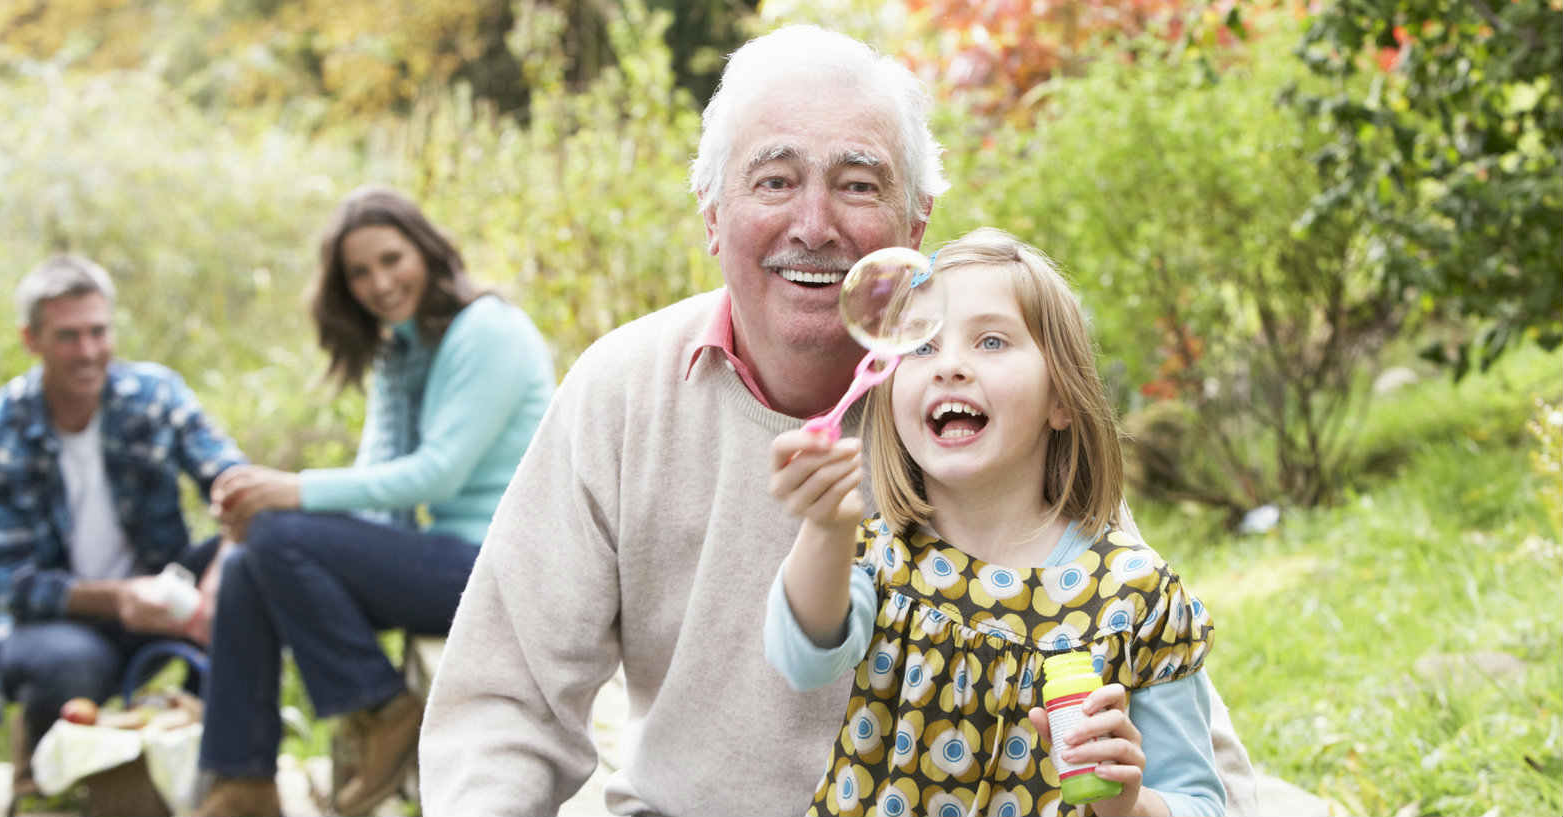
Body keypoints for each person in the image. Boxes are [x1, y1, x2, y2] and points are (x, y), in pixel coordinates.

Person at [421, 25, 1259, 816]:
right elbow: (507, 702)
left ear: (915, 226)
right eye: (774, 180)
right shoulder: (623, 388)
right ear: (713, 216)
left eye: (858, 183)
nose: (814, 226)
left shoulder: (987, 420)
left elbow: (1153, 694)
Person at [764, 227, 1224, 816]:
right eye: (922, 346)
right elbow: (802, 662)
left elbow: (1203, 804)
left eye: (990, 341)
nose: (949, 365)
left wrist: (1128, 806)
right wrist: (826, 529)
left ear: (1061, 397)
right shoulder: (881, 559)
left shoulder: (1136, 598)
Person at [193, 186, 556, 816]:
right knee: (256, 558)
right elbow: (379, 477)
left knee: (280, 531)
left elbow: (436, 475)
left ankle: (382, 707)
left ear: (427, 250)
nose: (379, 283)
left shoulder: (488, 330)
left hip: (508, 570)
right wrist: (261, 524)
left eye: (392, 259)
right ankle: (243, 782)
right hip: (449, 560)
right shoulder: (403, 348)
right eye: (359, 272)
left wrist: (290, 493)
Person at [0, 253, 244, 801]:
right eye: (68, 336)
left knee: (253, 567)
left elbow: (237, 485)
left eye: (98, 332)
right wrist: (120, 599)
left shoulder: (155, 397)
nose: (88, 352)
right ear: (31, 340)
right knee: (71, 662)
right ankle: (42, 780)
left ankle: (223, 771)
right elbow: (10, 583)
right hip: (50, 621)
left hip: (161, 591)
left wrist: (220, 573)